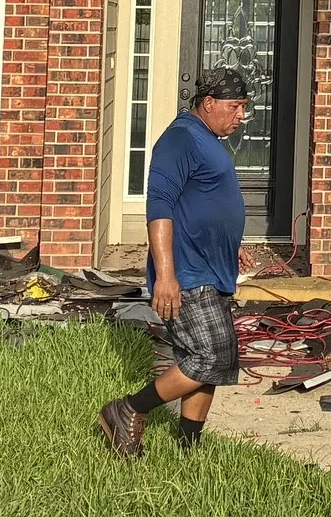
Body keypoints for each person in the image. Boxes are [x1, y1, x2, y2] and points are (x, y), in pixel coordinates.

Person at [98, 68, 253, 458]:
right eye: (235, 107)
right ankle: (128, 409)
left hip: (212, 267)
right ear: (208, 103)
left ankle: (188, 451)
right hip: (188, 271)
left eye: (244, 108)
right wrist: (166, 275)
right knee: (213, 356)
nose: (241, 116)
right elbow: (160, 205)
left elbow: (202, 200)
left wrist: (229, 242)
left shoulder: (207, 139)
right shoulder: (181, 139)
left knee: (207, 361)